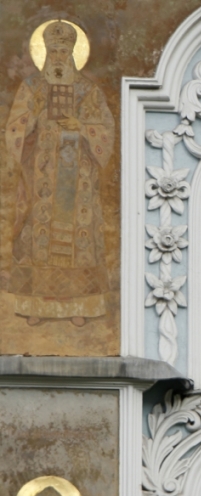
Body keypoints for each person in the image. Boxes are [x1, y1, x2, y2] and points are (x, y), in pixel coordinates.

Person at [4, 20, 114, 327]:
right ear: (46, 52)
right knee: (38, 239)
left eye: (64, 51)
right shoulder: (32, 88)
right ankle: (36, 306)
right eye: (53, 50)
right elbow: (14, 128)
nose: (58, 57)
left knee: (76, 240)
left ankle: (80, 305)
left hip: (77, 180)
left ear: (73, 54)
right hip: (41, 178)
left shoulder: (87, 90)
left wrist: (83, 128)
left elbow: (106, 130)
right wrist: (36, 120)